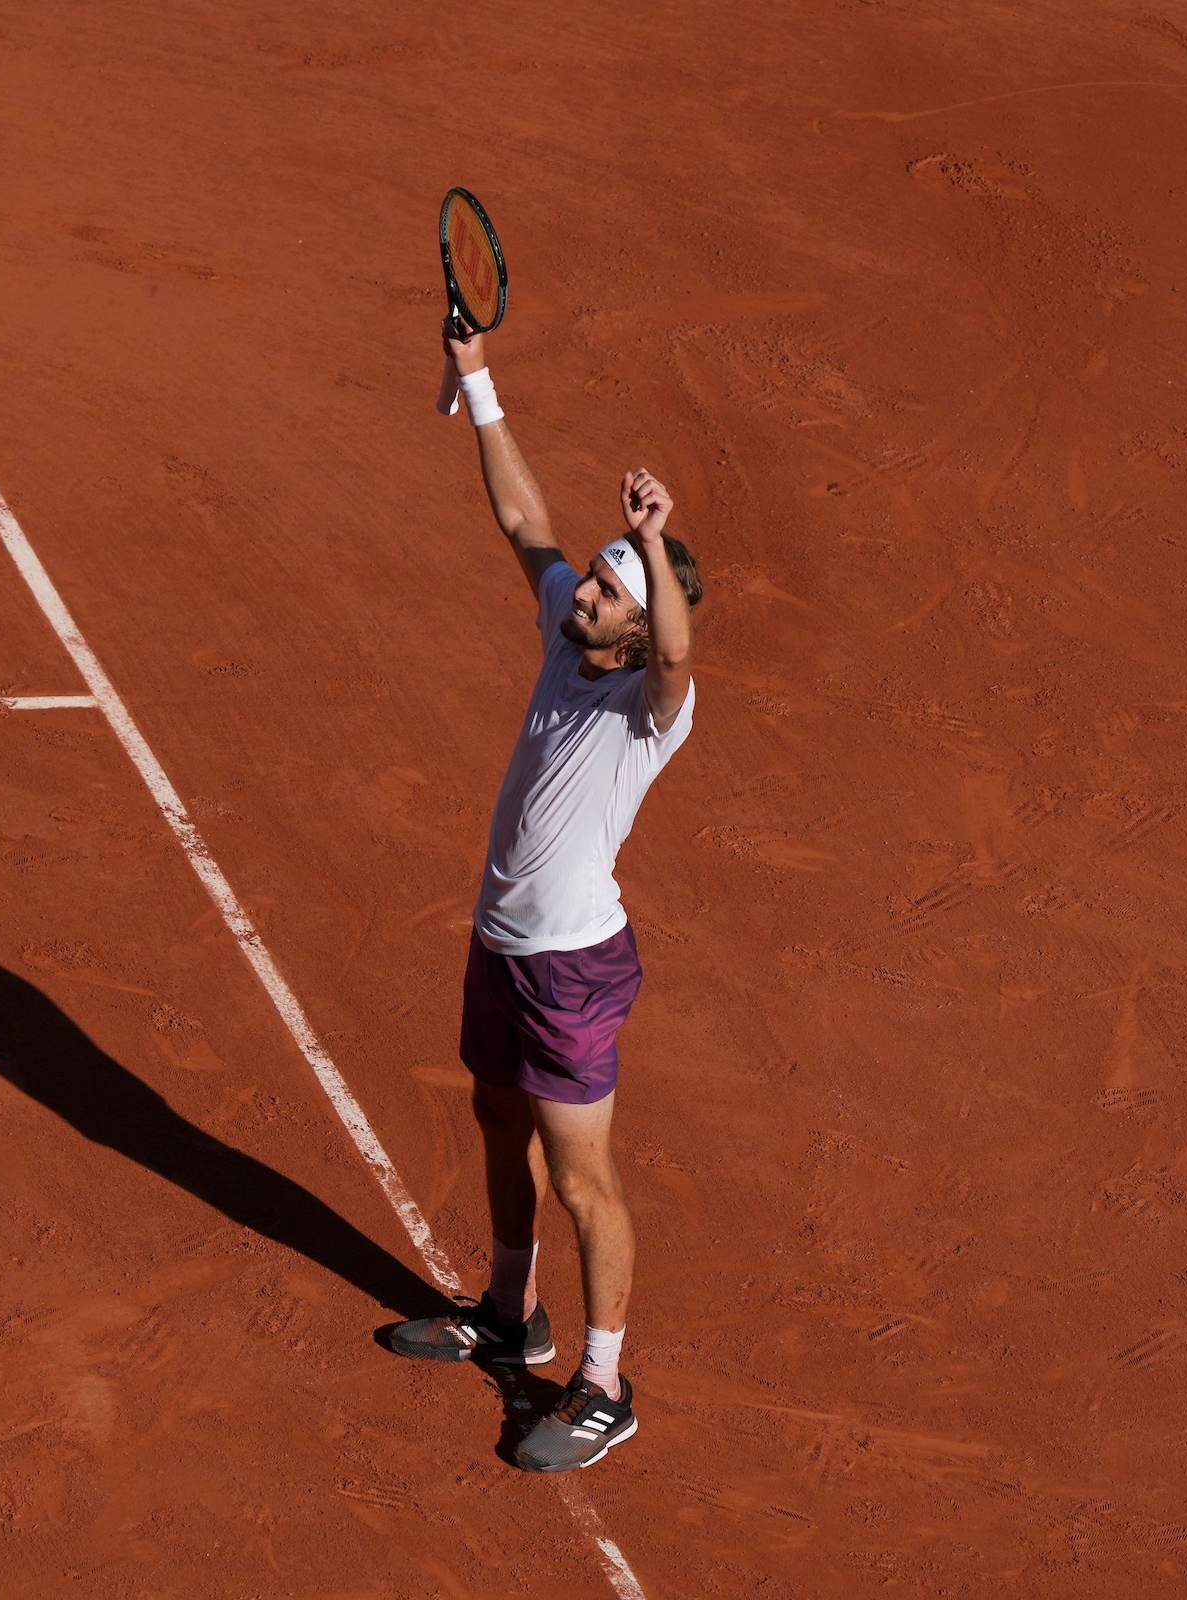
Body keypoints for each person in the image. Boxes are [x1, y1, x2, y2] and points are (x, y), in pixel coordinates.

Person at [390, 325, 703, 1474]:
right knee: (496, 1122)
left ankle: (606, 1383)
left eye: (610, 592)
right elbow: (525, 522)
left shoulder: (650, 709)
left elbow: (675, 655)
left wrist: (657, 548)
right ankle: (509, 1312)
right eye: (600, 581)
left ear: (638, 619)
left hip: (573, 966)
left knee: (583, 1176)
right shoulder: (569, 635)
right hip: (501, 945)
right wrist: (477, 378)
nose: (586, 594)